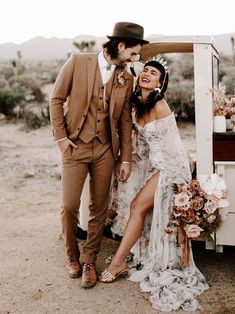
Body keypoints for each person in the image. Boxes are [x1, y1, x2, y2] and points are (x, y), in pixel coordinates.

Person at [99, 57, 209, 311]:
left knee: (138, 206)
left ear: (161, 83)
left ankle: (118, 264)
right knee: (138, 209)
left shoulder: (160, 105)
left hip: (169, 168)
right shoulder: (137, 104)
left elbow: (175, 147)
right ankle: (126, 258)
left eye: (154, 73)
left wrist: (183, 185)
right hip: (152, 166)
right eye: (145, 70)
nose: (147, 74)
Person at [49, 21, 149, 289]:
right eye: (133, 53)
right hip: (75, 146)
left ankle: (89, 259)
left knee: (99, 208)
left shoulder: (126, 77)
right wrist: (61, 138)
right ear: (120, 46)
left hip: (106, 149)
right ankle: (71, 254)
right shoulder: (77, 61)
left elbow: (125, 121)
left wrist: (125, 158)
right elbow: (56, 100)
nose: (135, 59)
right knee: (69, 206)